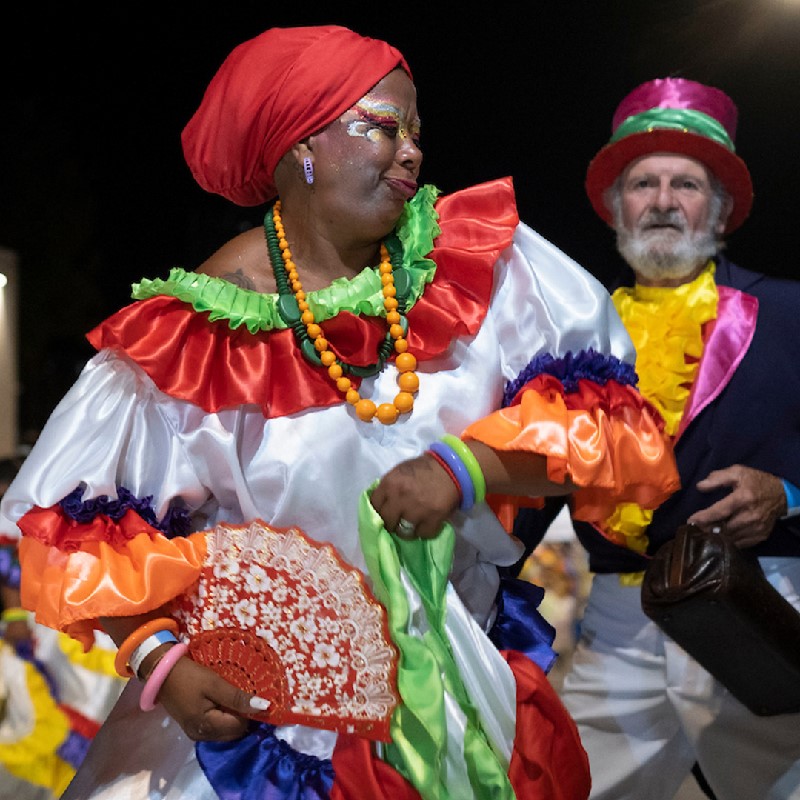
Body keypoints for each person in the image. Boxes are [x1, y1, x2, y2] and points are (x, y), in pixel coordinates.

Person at [0, 27, 679, 800]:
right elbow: (70, 534)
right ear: (302, 146)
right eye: (383, 127)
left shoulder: (489, 269)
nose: (413, 152)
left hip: (454, 710)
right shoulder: (188, 338)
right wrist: (160, 661)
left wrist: (468, 469)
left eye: (416, 132)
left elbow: (609, 427)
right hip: (251, 745)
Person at [516, 76, 800, 800]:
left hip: (763, 609)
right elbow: (530, 477)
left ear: (723, 211)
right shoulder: (577, 334)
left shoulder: (788, 311)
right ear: (616, 209)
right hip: (618, 625)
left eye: (687, 183)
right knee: (559, 787)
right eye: (643, 183)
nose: (665, 201)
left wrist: (790, 493)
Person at [0, 457, 126, 799]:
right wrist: (13, 619)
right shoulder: (19, 508)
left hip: (96, 619)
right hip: (52, 623)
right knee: (70, 702)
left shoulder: (90, 499)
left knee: (105, 702)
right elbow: (9, 567)